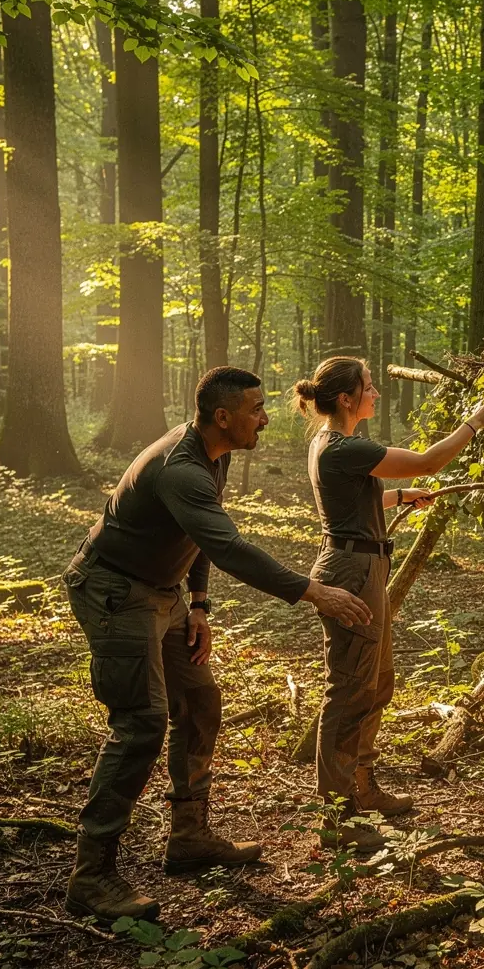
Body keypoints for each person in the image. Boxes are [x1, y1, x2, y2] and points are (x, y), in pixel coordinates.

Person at [63, 367, 373, 923]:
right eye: (256, 408)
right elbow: (228, 546)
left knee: (201, 702)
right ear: (223, 416)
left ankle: (189, 837)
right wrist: (314, 593)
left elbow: (201, 536)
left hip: (164, 593)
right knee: (142, 723)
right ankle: (91, 877)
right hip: (114, 592)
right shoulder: (181, 468)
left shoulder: (215, 454)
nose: (267, 416)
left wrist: (198, 604)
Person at [292, 356, 484, 850]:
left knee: (376, 681)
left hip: (363, 567)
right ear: (346, 399)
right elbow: (430, 459)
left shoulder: (333, 446)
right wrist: (474, 422)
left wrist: (398, 497)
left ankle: (362, 786)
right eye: (369, 387)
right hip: (350, 572)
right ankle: (337, 817)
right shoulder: (344, 445)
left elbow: (350, 502)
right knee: (349, 691)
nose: (376, 393)